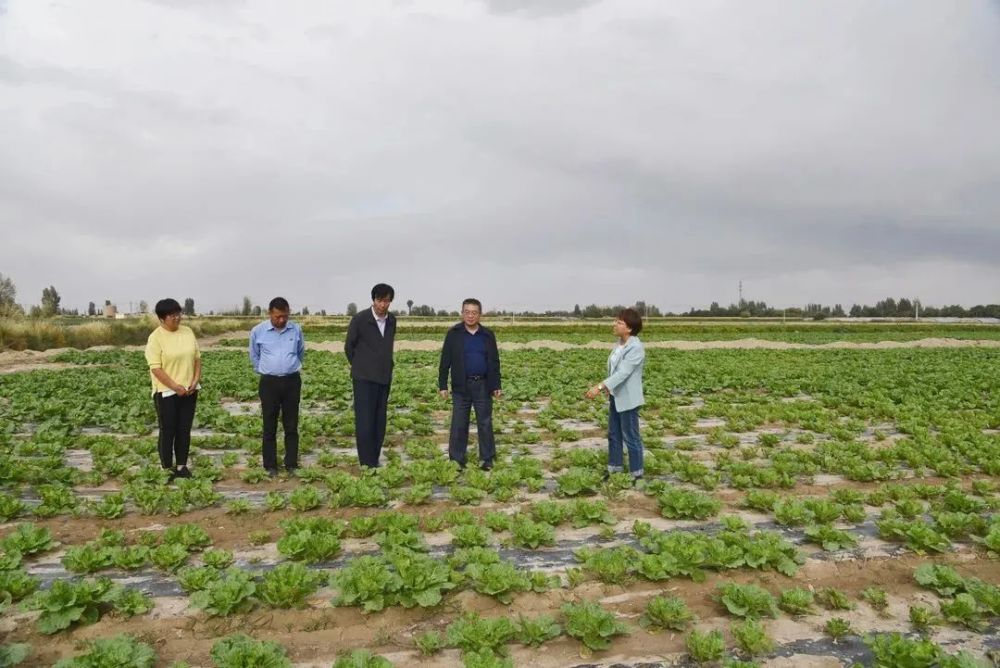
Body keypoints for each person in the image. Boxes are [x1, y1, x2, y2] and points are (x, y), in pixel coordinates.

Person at [438, 298, 501, 471]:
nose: (470, 316)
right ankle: (457, 460)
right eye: (467, 312)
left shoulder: (488, 335)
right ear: (462, 313)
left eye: (474, 312)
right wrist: (443, 385)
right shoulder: (454, 334)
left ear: (480, 315)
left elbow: (494, 362)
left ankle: (487, 459)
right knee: (459, 423)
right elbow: (445, 361)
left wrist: (496, 385)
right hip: (461, 386)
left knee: (485, 423)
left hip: (482, 384)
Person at [585, 308, 645, 484]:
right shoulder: (619, 345)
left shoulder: (636, 348)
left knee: (631, 436)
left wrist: (600, 386)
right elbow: (615, 370)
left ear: (629, 329)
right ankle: (615, 469)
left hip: (628, 399)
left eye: (619, 322)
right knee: (614, 434)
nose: (614, 324)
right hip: (616, 396)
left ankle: (637, 473)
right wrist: (608, 388)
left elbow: (623, 373)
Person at [145, 298, 201, 482]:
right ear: (162, 318)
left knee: (184, 429)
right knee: (168, 430)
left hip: (190, 390)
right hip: (166, 392)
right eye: (172, 315)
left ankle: (182, 466)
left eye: (178, 313)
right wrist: (175, 387)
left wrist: (195, 380)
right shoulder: (156, 338)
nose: (177, 318)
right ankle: (166, 468)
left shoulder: (188, 332)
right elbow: (156, 368)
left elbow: (197, 359)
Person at [249, 297, 305, 477]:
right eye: (278, 317)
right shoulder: (258, 331)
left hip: (291, 381)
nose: (281, 320)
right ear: (270, 314)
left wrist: (289, 367)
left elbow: (300, 352)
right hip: (269, 382)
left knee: (291, 425)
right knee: (269, 424)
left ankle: (291, 464)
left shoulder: (296, 329)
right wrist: (267, 370)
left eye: (285, 317)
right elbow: (254, 357)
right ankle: (270, 465)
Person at [345, 283, 396, 468]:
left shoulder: (392, 320)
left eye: (387, 300)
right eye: (380, 300)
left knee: (379, 420)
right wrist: (361, 366)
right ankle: (366, 463)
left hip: (383, 377)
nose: (383, 304)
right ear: (373, 300)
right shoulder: (360, 319)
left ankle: (374, 458)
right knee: (365, 421)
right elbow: (349, 347)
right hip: (364, 378)